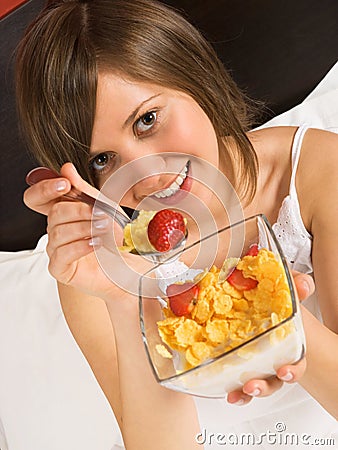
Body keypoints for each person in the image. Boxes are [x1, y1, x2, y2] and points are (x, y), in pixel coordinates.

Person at [5, 0, 337, 448]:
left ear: (194, 78)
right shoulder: (102, 259)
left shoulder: (316, 171)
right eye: (102, 159)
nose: (143, 174)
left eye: (147, 120)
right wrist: (125, 299)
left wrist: (276, 319)